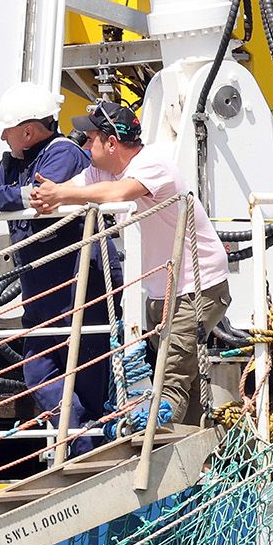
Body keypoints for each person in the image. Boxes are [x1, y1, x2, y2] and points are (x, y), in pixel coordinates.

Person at [28, 100, 231, 430]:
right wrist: (17, 195)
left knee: (170, 381)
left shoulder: (152, 163)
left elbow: (121, 192)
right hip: (161, 292)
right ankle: (199, 462)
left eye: (91, 137)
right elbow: (70, 190)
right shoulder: (102, 171)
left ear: (111, 142)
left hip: (197, 287)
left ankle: (151, 467)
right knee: (185, 381)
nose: (84, 143)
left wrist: (61, 196)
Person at [0, 82, 114, 454]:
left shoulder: (64, 155)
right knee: (39, 372)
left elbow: (38, 197)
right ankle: (80, 444)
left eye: (7, 130)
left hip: (77, 287)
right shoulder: (13, 164)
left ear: (27, 131)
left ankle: (89, 446)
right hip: (41, 293)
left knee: (89, 376)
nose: (4, 137)